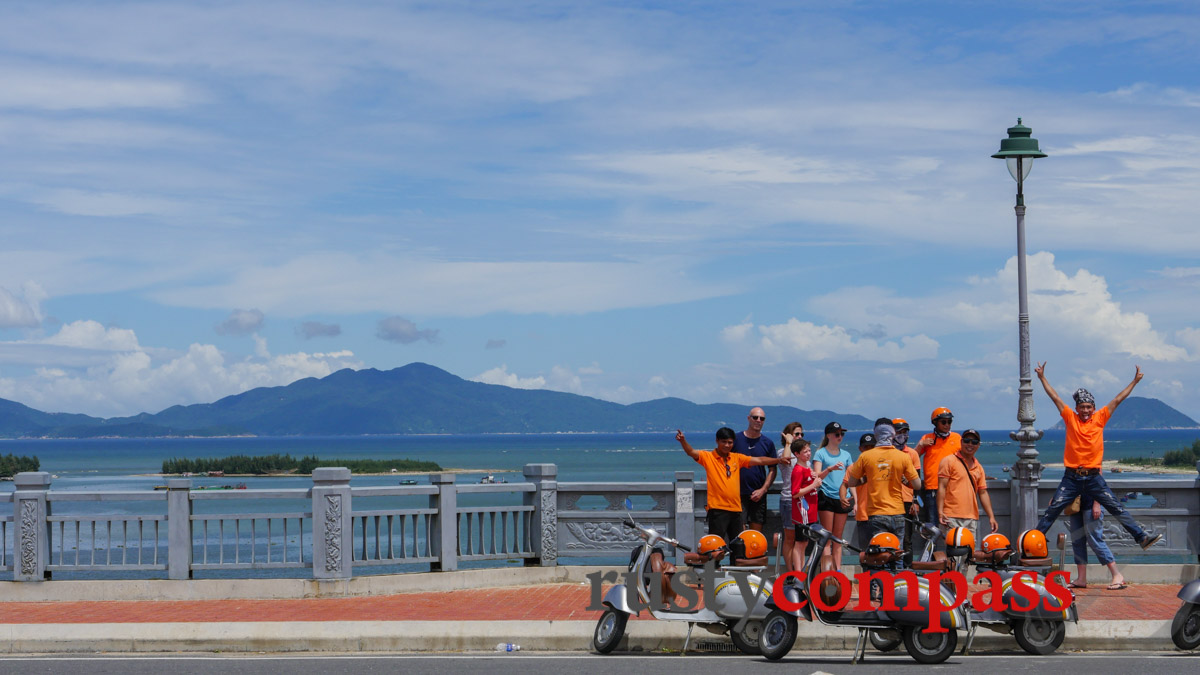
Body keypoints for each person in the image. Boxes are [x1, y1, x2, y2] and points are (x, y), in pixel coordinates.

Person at [1033, 363, 1161, 550]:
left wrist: (1134, 381)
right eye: (1082, 407)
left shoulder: (1100, 418)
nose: (1085, 411)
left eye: (1088, 407)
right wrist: (1042, 377)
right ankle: (1031, 541)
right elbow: (1055, 397)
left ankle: (1142, 538)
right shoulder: (1070, 418)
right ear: (1076, 408)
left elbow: (1118, 399)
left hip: (1094, 478)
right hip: (1071, 477)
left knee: (1116, 507)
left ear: (1093, 407)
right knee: (1052, 510)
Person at [676, 427, 787, 543]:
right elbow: (691, 452)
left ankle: (735, 561)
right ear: (717, 441)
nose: (727, 445)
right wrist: (683, 441)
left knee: (738, 546)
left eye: (730, 442)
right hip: (717, 509)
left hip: (736, 510)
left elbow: (759, 460)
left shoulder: (736, 458)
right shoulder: (708, 457)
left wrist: (778, 460)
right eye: (723, 442)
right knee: (715, 546)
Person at [840, 419, 919, 542]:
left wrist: (866, 478)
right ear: (892, 434)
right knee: (898, 552)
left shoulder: (865, 456)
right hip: (897, 511)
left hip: (876, 512)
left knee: (879, 554)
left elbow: (851, 483)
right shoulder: (903, 456)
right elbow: (917, 485)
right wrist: (903, 480)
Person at [936, 428, 999, 543]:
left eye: (974, 442)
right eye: (967, 441)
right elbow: (942, 487)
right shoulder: (948, 461)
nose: (970, 444)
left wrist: (991, 517)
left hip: (971, 517)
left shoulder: (978, 467)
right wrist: (940, 512)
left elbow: (983, 492)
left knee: (969, 552)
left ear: (978, 445)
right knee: (954, 553)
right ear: (961, 442)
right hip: (951, 515)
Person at [915, 407, 961, 555]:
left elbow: (965, 460)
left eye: (949, 421)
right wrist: (921, 446)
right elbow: (912, 458)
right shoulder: (927, 438)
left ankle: (951, 560)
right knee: (933, 528)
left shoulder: (956, 438)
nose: (947, 425)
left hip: (952, 489)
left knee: (953, 527)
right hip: (933, 488)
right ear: (935, 423)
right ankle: (931, 560)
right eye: (943, 422)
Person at [790, 438, 836, 573]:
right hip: (802, 511)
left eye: (809, 450)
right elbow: (795, 493)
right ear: (797, 454)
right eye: (805, 452)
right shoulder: (798, 470)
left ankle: (803, 571)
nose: (809, 453)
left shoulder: (807, 467)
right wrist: (813, 486)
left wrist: (827, 471)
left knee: (805, 543)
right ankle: (798, 573)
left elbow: (816, 480)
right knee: (800, 543)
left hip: (810, 510)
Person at [812, 422, 851, 570]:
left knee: (838, 538)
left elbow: (850, 478)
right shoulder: (820, 453)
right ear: (829, 435)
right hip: (826, 496)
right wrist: (829, 469)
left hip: (842, 497)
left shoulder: (846, 455)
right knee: (827, 538)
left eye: (842, 434)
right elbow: (817, 476)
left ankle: (838, 571)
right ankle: (827, 572)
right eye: (837, 434)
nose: (840, 437)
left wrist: (855, 499)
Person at [1068, 493, 1127, 590]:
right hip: (1075, 503)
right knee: (1077, 541)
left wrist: (1097, 503)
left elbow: (1098, 483)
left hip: (1091, 503)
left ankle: (1117, 575)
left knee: (1094, 540)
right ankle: (1081, 579)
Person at [735, 407, 778, 533]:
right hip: (738, 494)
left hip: (759, 495)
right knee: (739, 534)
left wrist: (763, 490)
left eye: (762, 418)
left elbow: (772, 470)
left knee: (756, 535)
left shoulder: (767, 443)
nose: (758, 420)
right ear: (749, 418)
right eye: (755, 417)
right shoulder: (736, 440)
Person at [892, 418, 922, 566]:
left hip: (906, 500)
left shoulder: (912, 454)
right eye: (899, 432)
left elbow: (918, 479)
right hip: (888, 500)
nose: (902, 435)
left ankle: (907, 570)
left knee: (907, 539)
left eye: (905, 432)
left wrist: (915, 501)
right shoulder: (886, 452)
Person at [777, 422, 804, 571]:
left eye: (801, 434)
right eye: (796, 434)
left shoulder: (802, 453)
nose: (800, 437)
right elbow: (785, 460)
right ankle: (790, 571)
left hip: (803, 500)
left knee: (802, 540)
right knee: (790, 538)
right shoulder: (783, 451)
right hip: (789, 499)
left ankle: (799, 570)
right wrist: (788, 442)